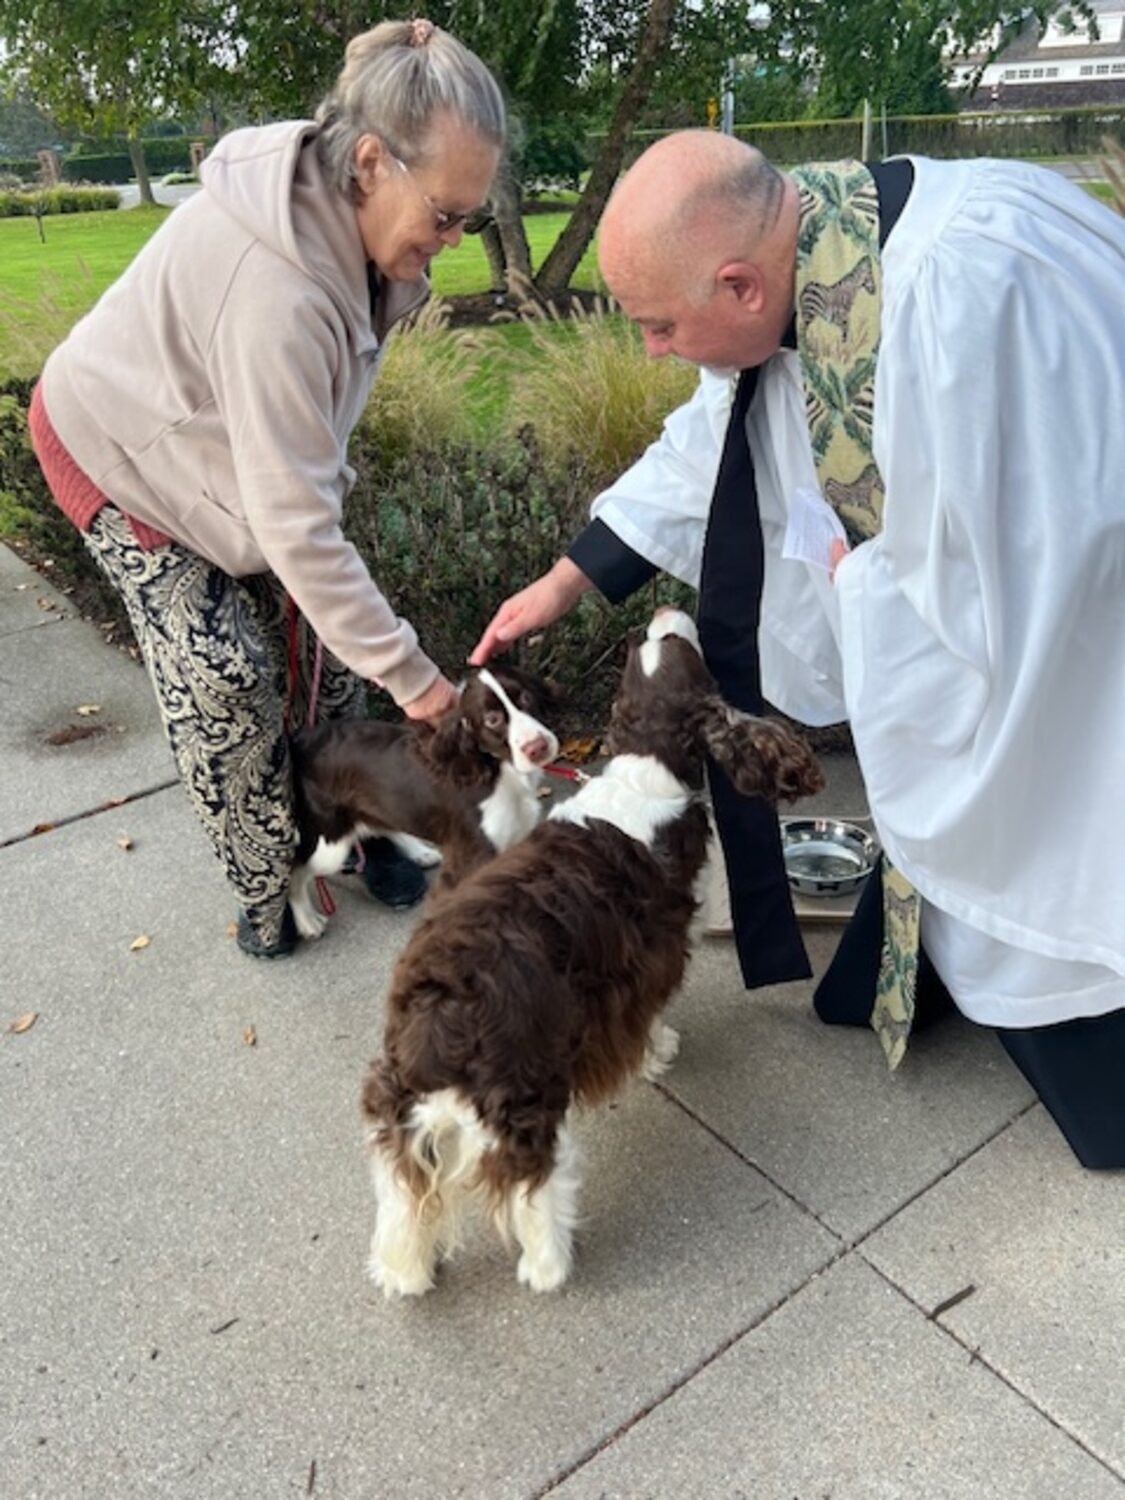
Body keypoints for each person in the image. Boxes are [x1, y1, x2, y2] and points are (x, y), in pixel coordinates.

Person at [470, 130, 1125, 1169]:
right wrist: (564, 580)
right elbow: (710, 448)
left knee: (1058, 865)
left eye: (658, 325)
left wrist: (866, 595)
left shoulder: (972, 295)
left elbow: (1055, 551)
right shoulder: (805, 269)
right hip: (967, 642)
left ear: (737, 283)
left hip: (1071, 673)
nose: (650, 348)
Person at [29, 19, 504, 959]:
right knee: (227, 676)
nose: (451, 242)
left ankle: (353, 823)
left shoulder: (353, 226)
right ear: (370, 161)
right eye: (445, 215)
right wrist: (423, 689)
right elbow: (293, 524)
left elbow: (295, 492)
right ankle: (265, 881)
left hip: (213, 447)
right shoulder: (278, 289)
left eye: (469, 219)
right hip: (119, 452)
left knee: (325, 649)